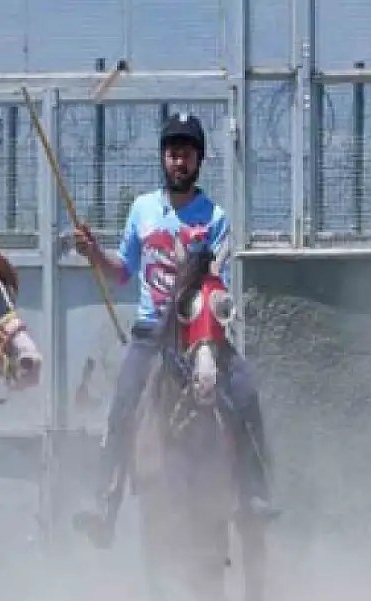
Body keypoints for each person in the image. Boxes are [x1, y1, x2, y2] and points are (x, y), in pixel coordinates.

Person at [69, 111, 278, 548]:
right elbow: (122, 271)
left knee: (244, 391)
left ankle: (254, 493)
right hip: (151, 333)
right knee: (123, 403)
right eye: (172, 153)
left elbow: (215, 279)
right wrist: (95, 254)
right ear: (163, 159)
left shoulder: (214, 216)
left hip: (199, 329)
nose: (178, 161)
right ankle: (103, 500)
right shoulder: (143, 209)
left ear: (199, 160)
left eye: (186, 153)